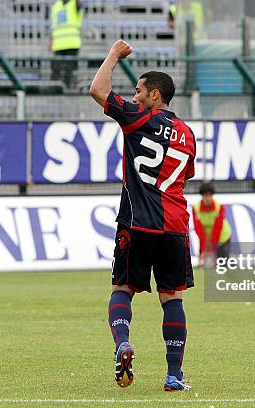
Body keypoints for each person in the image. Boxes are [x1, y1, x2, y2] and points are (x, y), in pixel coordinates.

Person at [89, 40, 196, 392]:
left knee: (122, 288)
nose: (133, 97)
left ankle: (122, 343)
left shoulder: (138, 118)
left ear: (154, 95)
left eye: (138, 91)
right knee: (173, 297)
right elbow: (184, 175)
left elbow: (97, 90)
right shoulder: (187, 134)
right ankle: (173, 376)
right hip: (175, 227)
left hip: (136, 222)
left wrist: (114, 55)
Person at [192, 181, 231, 266]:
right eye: (205, 195)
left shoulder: (219, 207)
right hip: (207, 238)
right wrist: (203, 250)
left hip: (222, 238)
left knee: (222, 264)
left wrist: (212, 250)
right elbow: (199, 230)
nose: (208, 198)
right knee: (206, 262)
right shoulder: (196, 208)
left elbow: (217, 229)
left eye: (210, 195)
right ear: (202, 196)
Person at [49, 0, 83, 89]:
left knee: (69, 70)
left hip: (72, 43)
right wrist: (51, 40)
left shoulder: (74, 3)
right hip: (58, 44)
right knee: (56, 70)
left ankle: (68, 90)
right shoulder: (55, 6)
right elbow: (54, 25)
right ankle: (55, 90)